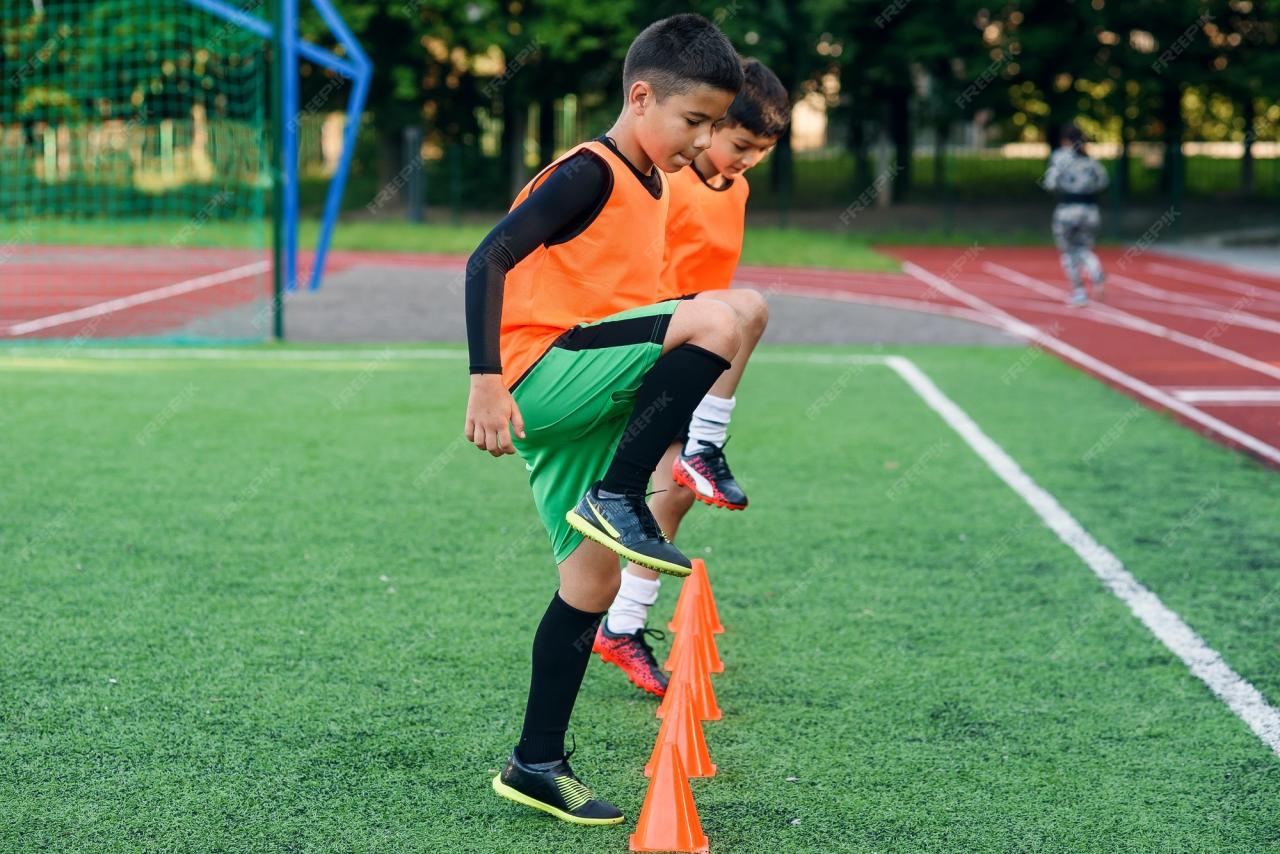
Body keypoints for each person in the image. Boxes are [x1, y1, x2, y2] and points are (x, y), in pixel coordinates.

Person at [463, 14, 744, 826]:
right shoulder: (590, 170)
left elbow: (631, 315)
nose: (698, 139)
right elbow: (488, 257)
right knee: (720, 320)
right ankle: (618, 494)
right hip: (540, 375)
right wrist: (486, 381)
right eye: (691, 122)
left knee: (592, 579)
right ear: (641, 95)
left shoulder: (656, 182)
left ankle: (535, 762)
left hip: (583, 386)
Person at [593, 58, 790, 698]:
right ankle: (707, 443)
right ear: (710, 127)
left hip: (697, 349)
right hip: (654, 341)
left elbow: (716, 280)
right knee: (752, 305)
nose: (747, 160)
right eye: (741, 144)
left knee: (671, 496)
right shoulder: (667, 183)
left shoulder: (736, 191)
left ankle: (620, 627)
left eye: (761, 152)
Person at [1042, 123, 1109, 306]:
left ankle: (1079, 291)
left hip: (1067, 211)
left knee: (1068, 252)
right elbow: (1103, 181)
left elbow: (1050, 182)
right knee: (1084, 249)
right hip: (1090, 211)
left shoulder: (1060, 157)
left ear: (1065, 140)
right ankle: (1096, 273)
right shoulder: (1090, 160)